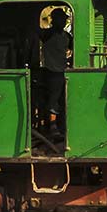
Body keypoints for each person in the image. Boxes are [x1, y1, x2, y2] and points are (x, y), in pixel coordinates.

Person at [35, 8, 72, 141]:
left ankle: (61, 126)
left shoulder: (67, 36)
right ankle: (52, 127)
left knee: (62, 100)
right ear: (54, 20)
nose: (63, 22)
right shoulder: (47, 34)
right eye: (61, 19)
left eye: (64, 19)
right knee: (53, 100)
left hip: (63, 71)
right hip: (50, 71)